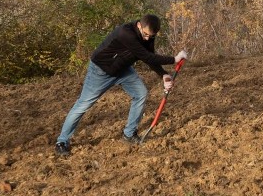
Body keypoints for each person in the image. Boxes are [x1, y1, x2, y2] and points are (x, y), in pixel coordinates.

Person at [55, 14, 187, 156]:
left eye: (151, 36)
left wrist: (163, 74)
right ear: (139, 26)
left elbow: (149, 56)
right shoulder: (125, 33)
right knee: (83, 104)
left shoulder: (149, 35)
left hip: (123, 69)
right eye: (146, 34)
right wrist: (174, 59)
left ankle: (129, 134)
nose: (148, 38)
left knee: (140, 93)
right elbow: (146, 56)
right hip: (101, 71)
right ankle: (62, 141)